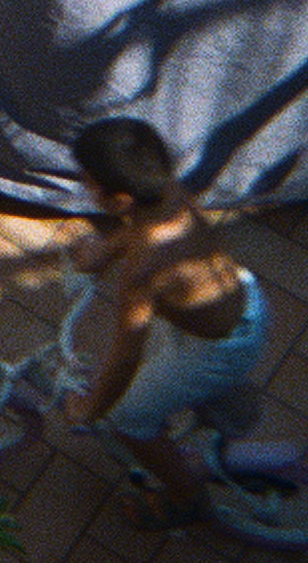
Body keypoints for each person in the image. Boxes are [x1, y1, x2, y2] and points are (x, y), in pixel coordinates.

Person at [61, 116, 268, 530]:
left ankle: (186, 499)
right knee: (157, 364)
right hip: (240, 301)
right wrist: (103, 252)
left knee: (126, 417)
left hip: (217, 345)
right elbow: (142, 228)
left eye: (87, 182)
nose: (82, 184)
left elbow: (124, 355)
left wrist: (90, 408)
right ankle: (214, 398)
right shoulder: (171, 191)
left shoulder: (143, 272)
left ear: (119, 200)